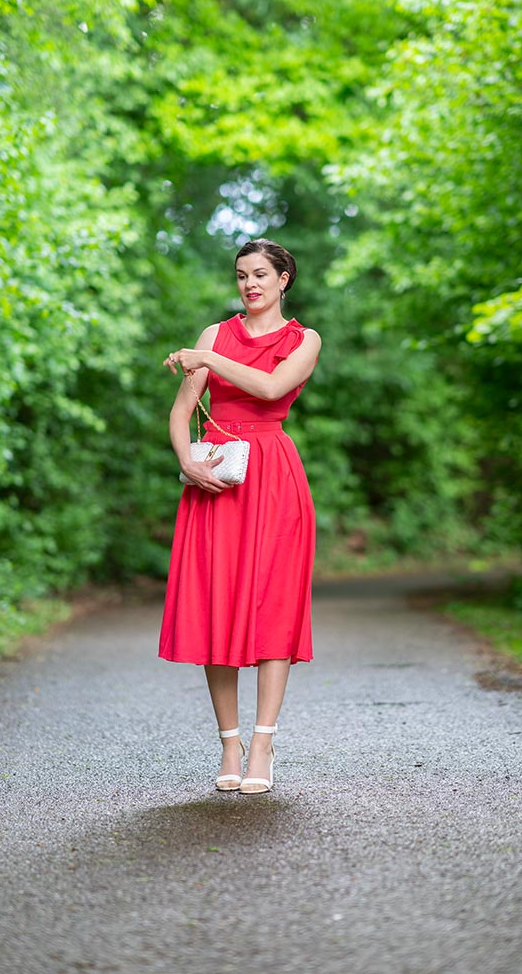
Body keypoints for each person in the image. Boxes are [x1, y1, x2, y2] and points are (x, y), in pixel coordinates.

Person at [159, 239, 321, 794]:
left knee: (272, 605)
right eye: (241, 275)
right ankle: (229, 743)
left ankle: (262, 744)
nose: (249, 284)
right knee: (216, 605)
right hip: (218, 477)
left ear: (283, 280)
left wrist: (207, 359)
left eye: (260, 275)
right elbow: (182, 413)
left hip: (273, 477)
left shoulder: (304, 339)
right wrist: (186, 457)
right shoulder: (216, 333)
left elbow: (273, 387)